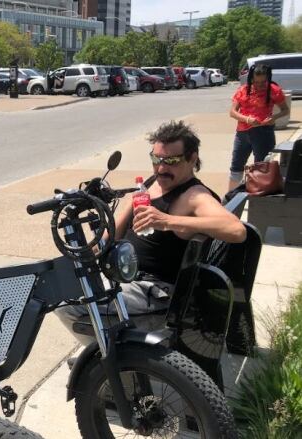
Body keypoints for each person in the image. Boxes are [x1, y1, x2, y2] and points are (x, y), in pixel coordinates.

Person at [56, 121, 247, 343]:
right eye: (156, 160)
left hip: (153, 290)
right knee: (59, 282)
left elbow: (236, 230)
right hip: (124, 274)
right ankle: (101, 354)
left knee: (65, 302)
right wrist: (91, 249)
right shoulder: (150, 184)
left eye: (172, 161)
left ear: (192, 158)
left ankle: (101, 362)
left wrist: (168, 221)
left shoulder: (194, 196)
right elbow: (112, 232)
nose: (161, 169)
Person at [228, 63, 290, 192]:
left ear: (268, 78)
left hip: (263, 132)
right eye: (256, 82)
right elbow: (232, 112)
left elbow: (285, 110)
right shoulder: (243, 90)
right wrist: (247, 119)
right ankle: (230, 197)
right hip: (243, 133)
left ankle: (258, 196)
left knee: (261, 167)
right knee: (236, 165)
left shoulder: (274, 90)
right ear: (251, 79)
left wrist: (274, 118)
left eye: (263, 82)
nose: (260, 85)